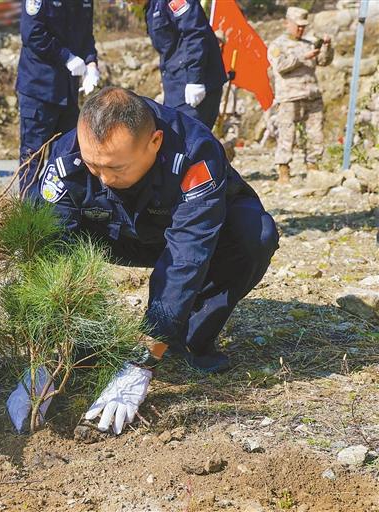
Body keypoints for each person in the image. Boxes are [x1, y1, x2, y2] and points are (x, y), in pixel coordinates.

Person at [22, 87, 278, 434]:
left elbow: (186, 255)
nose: (103, 178)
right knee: (56, 241)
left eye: (115, 168)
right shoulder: (69, 156)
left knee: (256, 233)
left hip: (191, 233)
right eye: (94, 165)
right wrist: (43, 354)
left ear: (155, 142)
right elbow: (51, 250)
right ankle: (86, 349)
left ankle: (188, 337)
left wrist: (143, 359)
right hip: (112, 232)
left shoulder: (194, 153)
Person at [16, 0, 100, 193]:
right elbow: (33, 33)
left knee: (67, 154)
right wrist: (66, 57)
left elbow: (86, 35)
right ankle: (28, 207)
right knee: (33, 154)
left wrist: (91, 64)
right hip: (39, 88)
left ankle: (59, 205)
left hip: (68, 91)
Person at [128, 0, 227, 129]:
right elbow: (170, 50)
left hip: (194, 84)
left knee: (188, 136)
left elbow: (194, 34)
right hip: (176, 86)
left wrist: (195, 80)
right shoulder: (151, 7)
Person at [268, 6, 333, 183]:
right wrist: (302, 56)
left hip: (311, 95)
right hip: (289, 97)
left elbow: (323, 61)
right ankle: (284, 169)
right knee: (287, 135)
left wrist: (326, 47)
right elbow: (280, 66)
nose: (301, 29)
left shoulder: (308, 42)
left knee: (315, 134)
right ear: (287, 23)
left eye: (303, 26)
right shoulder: (277, 45)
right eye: (298, 26)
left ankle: (313, 166)